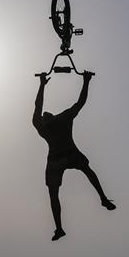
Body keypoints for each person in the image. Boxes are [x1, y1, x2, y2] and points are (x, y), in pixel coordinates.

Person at [33, 72, 116, 241]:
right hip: (61, 157)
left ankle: (102, 199)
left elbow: (40, 106)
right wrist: (86, 81)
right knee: (55, 192)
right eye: (44, 116)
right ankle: (60, 228)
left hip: (62, 157)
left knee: (84, 171)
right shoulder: (58, 120)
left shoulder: (51, 123)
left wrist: (42, 85)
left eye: (45, 115)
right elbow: (41, 106)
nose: (44, 115)